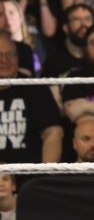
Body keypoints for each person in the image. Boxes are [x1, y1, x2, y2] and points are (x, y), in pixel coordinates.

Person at [0, 34, 63, 166]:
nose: (4, 60)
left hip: (28, 179)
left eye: (10, 54)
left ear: (17, 58)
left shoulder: (35, 88)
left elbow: (53, 131)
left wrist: (45, 175)